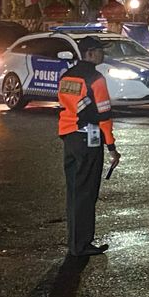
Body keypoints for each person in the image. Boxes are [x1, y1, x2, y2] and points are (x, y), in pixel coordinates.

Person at [57, 36, 121, 257]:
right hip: (88, 141)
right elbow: (104, 116)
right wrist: (111, 146)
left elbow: (65, 106)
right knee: (86, 192)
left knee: (74, 191)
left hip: (69, 138)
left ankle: (74, 241)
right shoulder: (96, 78)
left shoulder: (66, 77)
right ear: (91, 53)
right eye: (100, 51)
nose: (103, 55)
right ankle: (82, 245)